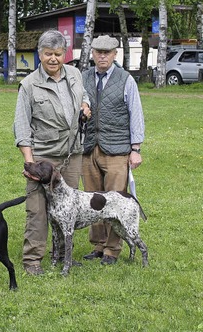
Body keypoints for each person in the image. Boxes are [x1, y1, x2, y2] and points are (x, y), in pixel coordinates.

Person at [14, 29, 90, 276]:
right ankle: (32, 259)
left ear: (65, 54)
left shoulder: (76, 74)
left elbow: (84, 95)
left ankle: (62, 255)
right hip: (43, 160)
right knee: (37, 210)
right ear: (40, 54)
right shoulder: (28, 85)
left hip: (72, 154)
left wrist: (85, 106)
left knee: (68, 209)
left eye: (58, 54)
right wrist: (29, 164)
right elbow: (22, 126)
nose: (54, 59)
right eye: (48, 54)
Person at [81, 35, 145, 265]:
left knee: (115, 201)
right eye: (98, 51)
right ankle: (98, 245)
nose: (102, 56)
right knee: (93, 200)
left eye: (107, 52)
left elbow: (135, 114)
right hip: (89, 148)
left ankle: (112, 249)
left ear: (115, 54)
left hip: (117, 149)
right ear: (92, 53)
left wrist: (135, 148)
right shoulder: (83, 77)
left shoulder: (126, 79)